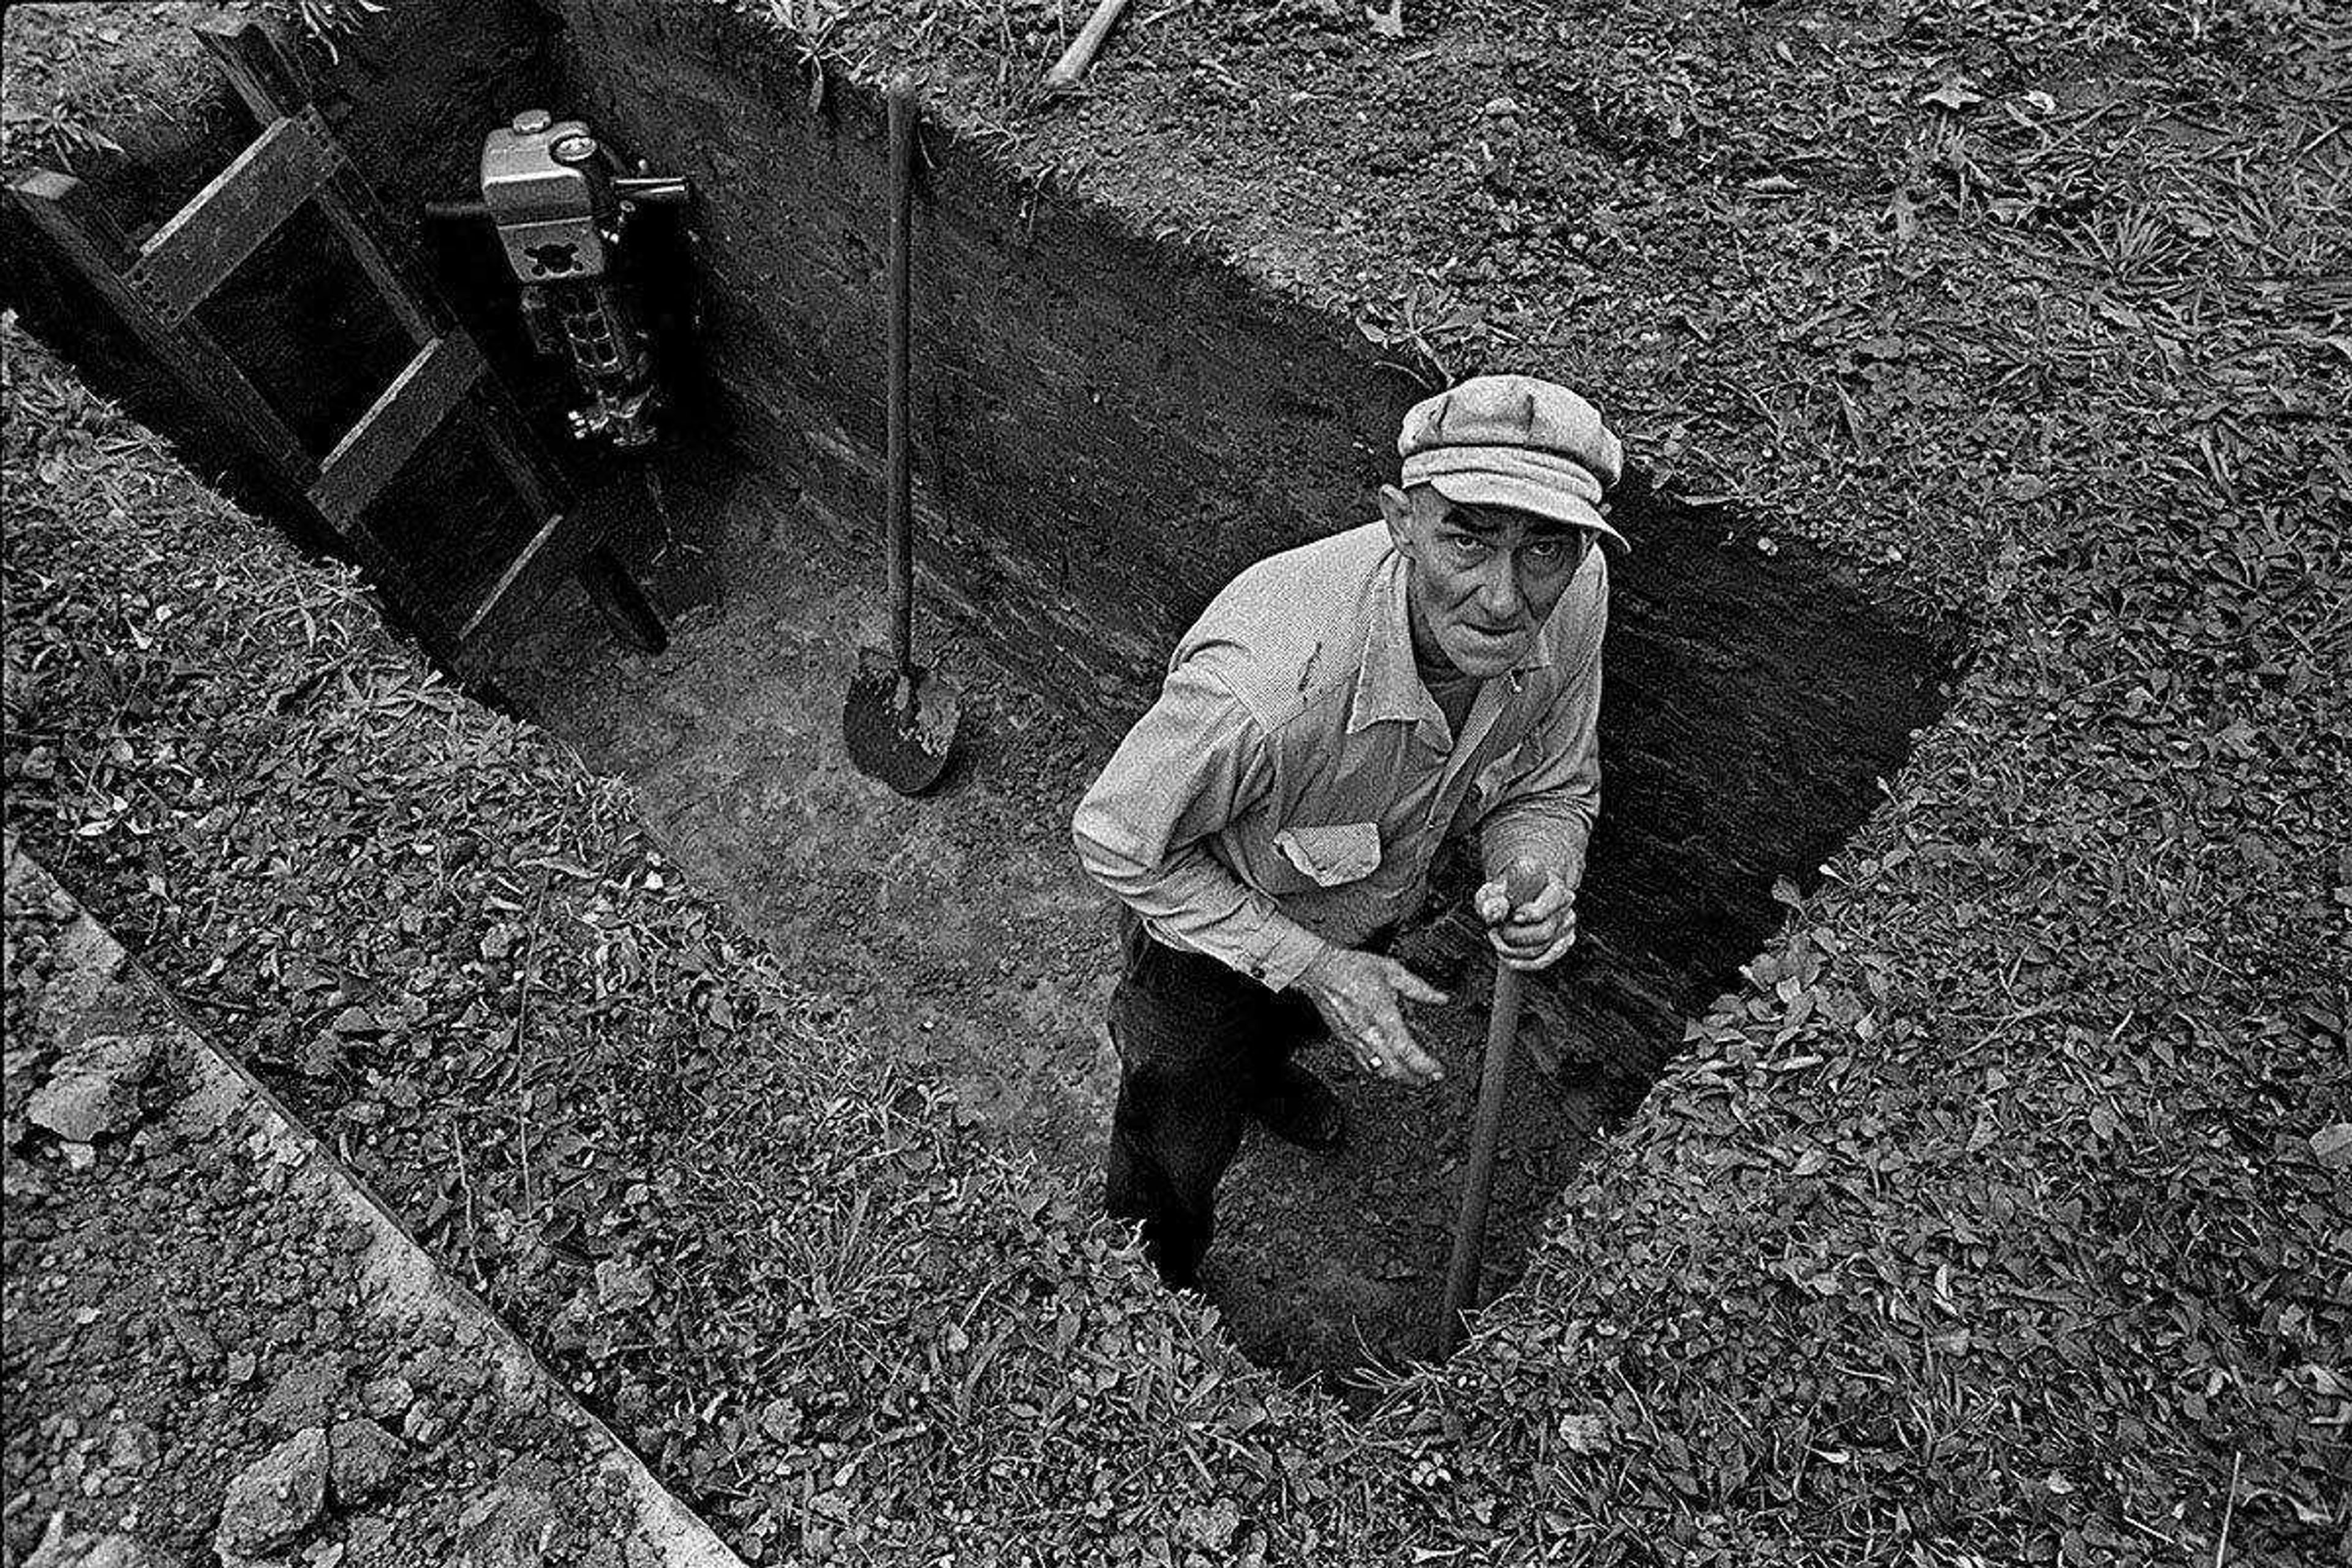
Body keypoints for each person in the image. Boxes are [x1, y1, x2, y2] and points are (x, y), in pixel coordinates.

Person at [1069, 373, 1624, 1289]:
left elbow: (1551, 779)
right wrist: (1318, 966)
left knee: (1287, 1030)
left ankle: (1266, 1072)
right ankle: (1145, 1292)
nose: (1501, 597)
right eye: (1467, 537)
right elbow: (1117, 838)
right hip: (1209, 934)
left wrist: (1539, 867)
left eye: (1544, 548)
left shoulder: (1579, 592)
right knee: (1175, 1115)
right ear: (1401, 521)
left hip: (1363, 901)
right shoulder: (1265, 697)